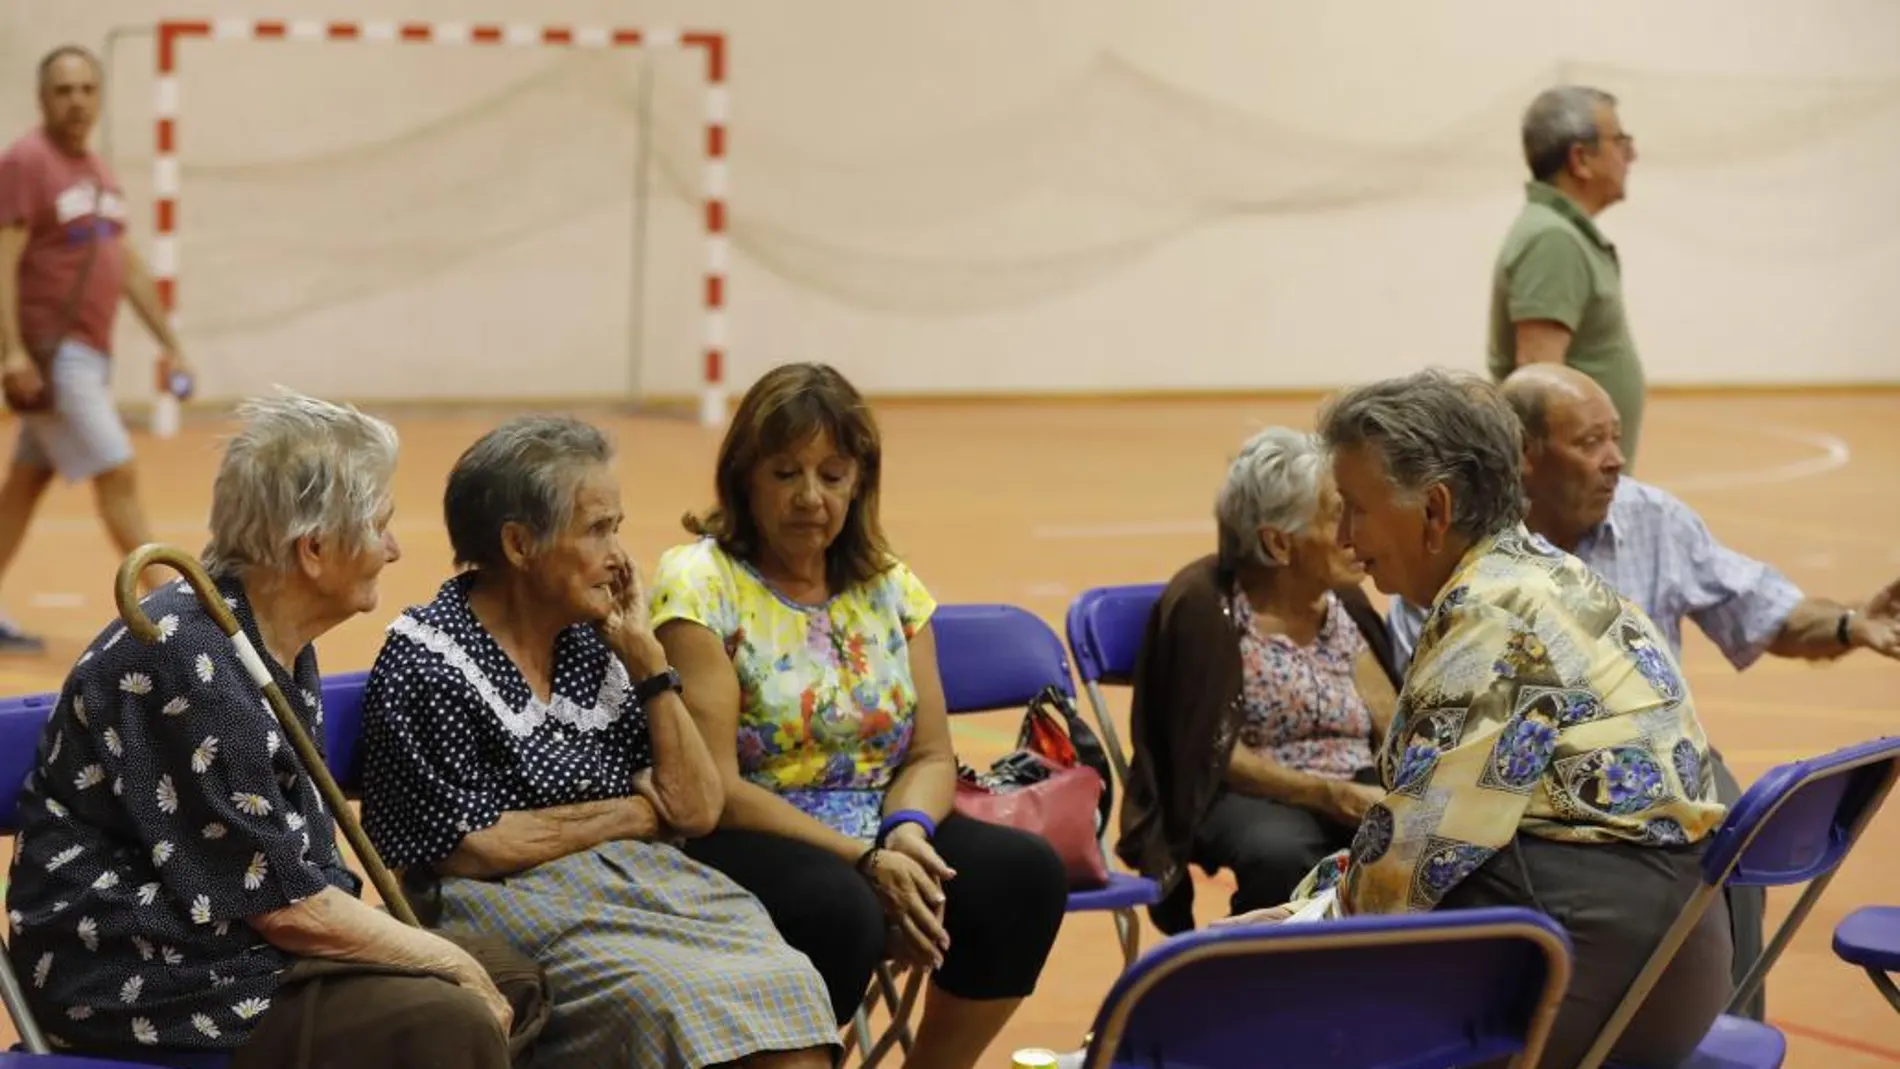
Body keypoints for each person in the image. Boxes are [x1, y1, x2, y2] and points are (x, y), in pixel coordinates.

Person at [4, 392, 538, 1068]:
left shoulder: (267, 636)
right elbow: (282, 905)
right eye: (381, 526)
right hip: (153, 977)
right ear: (314, 549)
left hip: (244, 951)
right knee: (447, 1015)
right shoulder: (183, 657)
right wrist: (445, 959)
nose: (395, 549)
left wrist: (451, 960)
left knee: (513, 978)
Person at [1227, 369, 1733, 1069]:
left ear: (1434, 509)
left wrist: (1290, 919)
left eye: (1356, 508)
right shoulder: (1543, 576)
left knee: (1282, 1014)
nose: (1345, 536)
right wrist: (1316, 898)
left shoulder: (1490, 616)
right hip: (1669, 954)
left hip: (1591, 963)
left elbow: (1414, 862)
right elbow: (1425, 828)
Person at [1386, 361, 1900, 1021]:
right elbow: (1439, 733)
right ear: (1523, 455)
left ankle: (1724, 1031)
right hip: (1514, 794)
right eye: (1590, 441)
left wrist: (1851, 623)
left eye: (1616, 437)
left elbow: (1764, 609)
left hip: (1659, 768)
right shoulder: (1455, 556)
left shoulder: (1655, 518)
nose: (1615, 460)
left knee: (1727, 827)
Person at [358, 415, 838, 1069]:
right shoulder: (429, 657)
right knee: (673, 998)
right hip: (502, 899)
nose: (619, 555)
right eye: (597, 529)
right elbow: (475, 849)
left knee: (789, 981)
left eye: (615, 526)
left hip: (641, 882)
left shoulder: (598, 640)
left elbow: (695, 808)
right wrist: (637, 813)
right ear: (520, 544)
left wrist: (648, 663)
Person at [650, 361, 1068, 1069]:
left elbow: (931, 755)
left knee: (1022, 875)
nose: (810, 496)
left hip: (879, 821)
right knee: (839, 908)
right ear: (746, 478)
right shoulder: (699, 582)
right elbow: (715, 786)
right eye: (785, 473)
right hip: (748, 824)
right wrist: (866, 861)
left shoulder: (890, 586)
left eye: (832, 474)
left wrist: (907, 836)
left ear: (859, 482)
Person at [1117, 427, 1403, 935]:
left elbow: (1392, 721)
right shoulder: (1205, 609)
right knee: (1284, 856)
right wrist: (1329, 794)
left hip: (1349, 780)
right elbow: (1206, 753)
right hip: (1241, 791)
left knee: (1416, 840)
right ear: (1278, 541)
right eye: (1337, 516)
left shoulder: (1345, 604)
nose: (1355, 532)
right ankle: (1245, 980)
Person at [0, 45, 195, 653]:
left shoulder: (98, 171)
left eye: (86, 89)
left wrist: (172, 343)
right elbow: (2, 259)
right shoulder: (27, 162)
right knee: (118, 469)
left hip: (86, 356)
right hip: (51, 359)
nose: (76, 100)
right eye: (63, 90)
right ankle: (166, 611)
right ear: (43, 99)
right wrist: (12, 352)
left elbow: (128, 264)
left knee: (25, 485)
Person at [1485, 85, 1648, 467]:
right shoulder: (1552, 239)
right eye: (1620, 141)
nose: (1632, 154)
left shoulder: (1562, 234)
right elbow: (1538, 384)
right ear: (1580, 159)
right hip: (1567, 491)